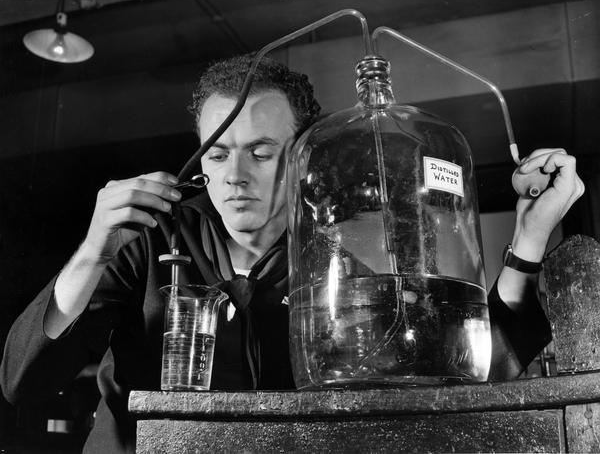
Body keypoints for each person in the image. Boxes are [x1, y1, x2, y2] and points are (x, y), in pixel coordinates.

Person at [0, 55, 585, 453]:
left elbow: (478, 376)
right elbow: (24, 381)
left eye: (260, 153)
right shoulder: (145, 245)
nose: (234, 176)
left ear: (303, 157)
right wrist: (92, 252)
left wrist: (530, 238)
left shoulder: (336, 275)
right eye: (216, 153)